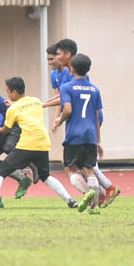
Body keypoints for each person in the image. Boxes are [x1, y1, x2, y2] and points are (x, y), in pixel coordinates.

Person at [0, 76, 85, 210]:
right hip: (43, 144)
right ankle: (71, 201)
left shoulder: (13, 109)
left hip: (26, 145)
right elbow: (26, 109)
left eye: (8, 92)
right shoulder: (36, 101)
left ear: (14, 93)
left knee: (0, 173)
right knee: (46, 176)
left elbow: (5, 130)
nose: (7, 94)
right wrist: (14, 105)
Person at [43, 38, 120, 208]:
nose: (54, 58)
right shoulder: (91, 87)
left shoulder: (70, 80)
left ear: (68, 55)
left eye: (57, 54)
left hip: (79, 125)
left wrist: (50, 111)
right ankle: (99, 196)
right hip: (91, 126)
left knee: (75, 167)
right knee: (88, 166)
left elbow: (67, 104)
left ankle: (103, 190)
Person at [51, 54, 105, 214]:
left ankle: (86, 192)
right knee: (89, 169)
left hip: (75, 134)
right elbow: (97, 116)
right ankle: (94, 207)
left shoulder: (67, 87)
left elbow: (67, 109)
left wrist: (58, 121)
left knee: (70, 169)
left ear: (72, 69)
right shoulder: (95, 90)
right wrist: (99, 140)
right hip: (90, 135)